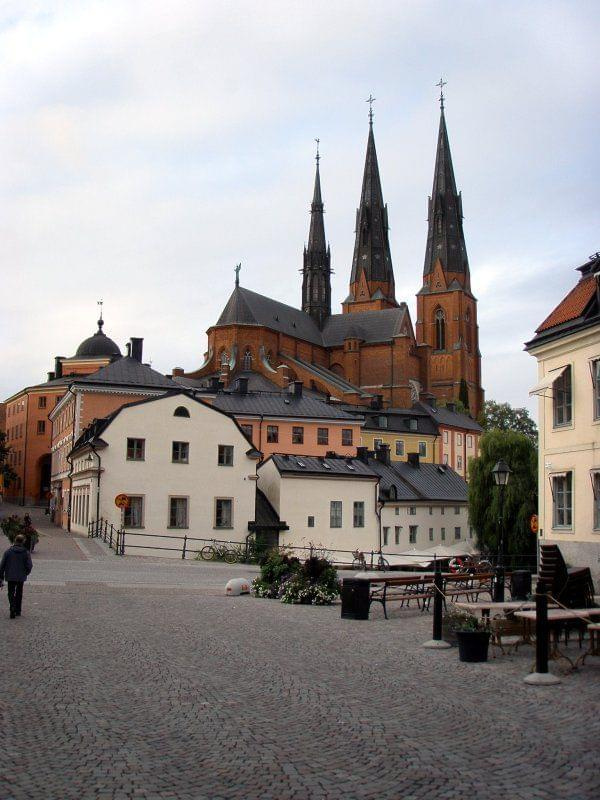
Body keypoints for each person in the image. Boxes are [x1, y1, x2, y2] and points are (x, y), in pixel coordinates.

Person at [0, 534, 33, 619]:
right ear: (23, 542)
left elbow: (2, 565)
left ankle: (12, 607)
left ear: (15, 540)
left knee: (10, 592)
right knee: (19, 593)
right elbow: (29, 565)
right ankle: (17, 610)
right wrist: (26, 572)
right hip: (20, 577)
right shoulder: (25, 552)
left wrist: (1, 577)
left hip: (10, 576)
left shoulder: (8, 552)